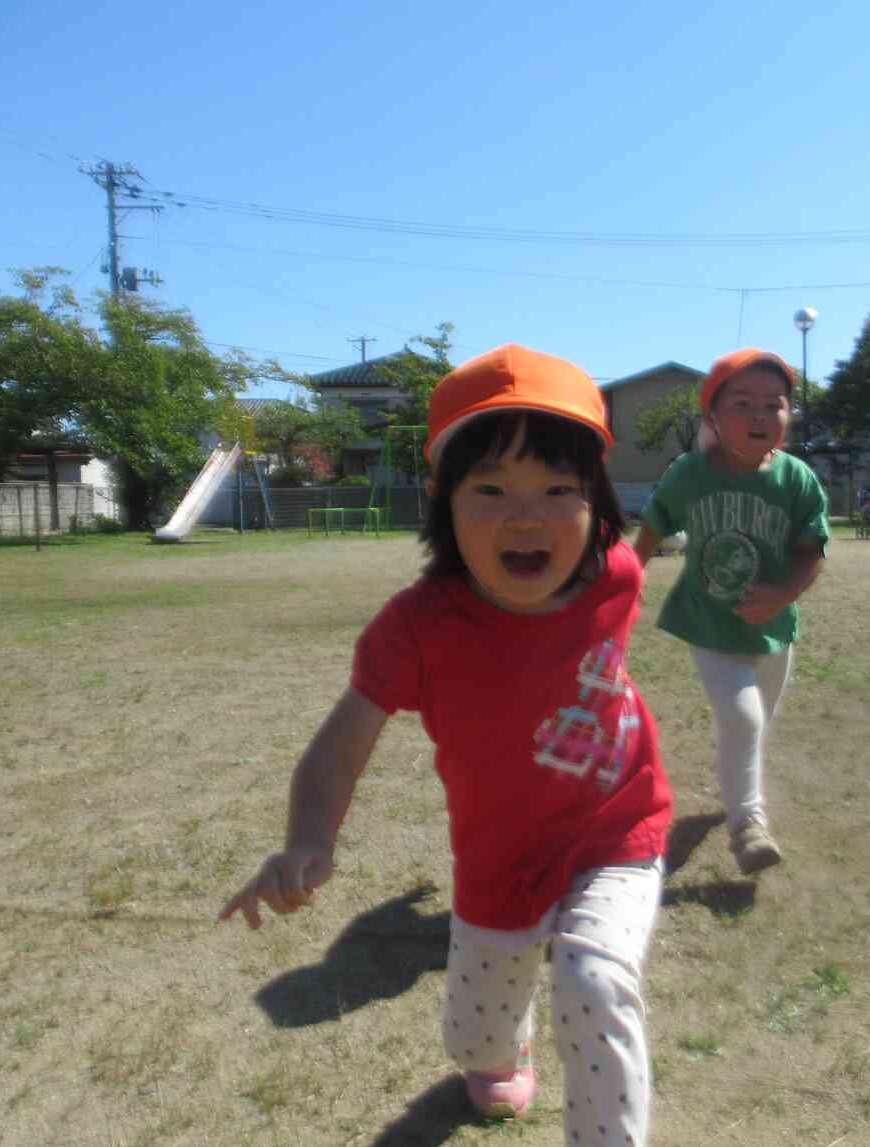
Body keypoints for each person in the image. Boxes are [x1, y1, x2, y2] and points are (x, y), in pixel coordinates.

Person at [220, 344, 674, 1145]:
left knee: (594, 976)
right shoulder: (416, 628)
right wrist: (307, 839)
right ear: (442, 501)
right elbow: (340, 744)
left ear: (597, 503)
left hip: (619, 829)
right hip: (497, 854)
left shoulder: (617, 576)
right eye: (490, 489)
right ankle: (502, 1050)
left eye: (558, 489)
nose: (526, 516)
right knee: (480, 1036)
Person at [633, 347, 829, 875]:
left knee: (755, 724)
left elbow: (813, 553)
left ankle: (737, 797)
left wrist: (782, 594)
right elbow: (653, 526)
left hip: (773, 629)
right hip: (710, 621)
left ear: (789, 416)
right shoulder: (690, 474)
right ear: (714, 418)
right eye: (743, 403)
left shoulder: (797, 480)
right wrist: (630, 576)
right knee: (742, 718)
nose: (760, 415)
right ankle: (749, 827)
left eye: (775, 404)